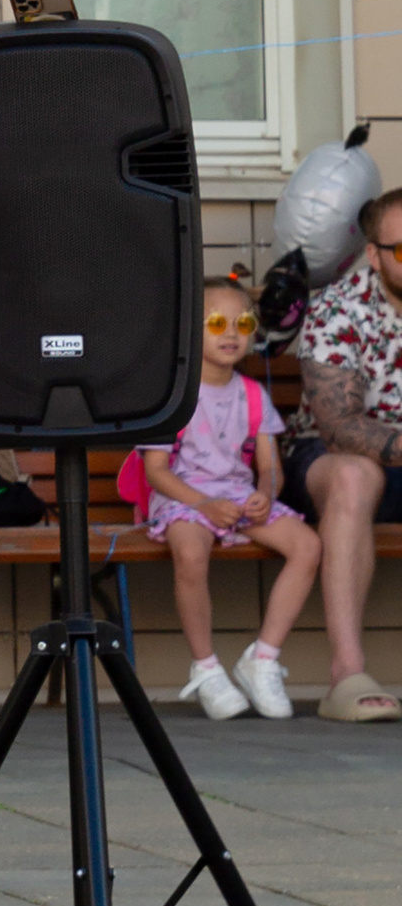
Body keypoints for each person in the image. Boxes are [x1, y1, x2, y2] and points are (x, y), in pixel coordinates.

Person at [133, 278, 318, 720]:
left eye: (243, 323)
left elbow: (270, 467)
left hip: (237, 495)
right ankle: (207, 668)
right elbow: (156, 472)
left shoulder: (253, 395)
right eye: (216, 322)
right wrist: (202, 505)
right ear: (190, 331)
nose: (231, 333)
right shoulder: (172, 398)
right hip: (184, 496)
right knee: (191, 553)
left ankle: (264, 658)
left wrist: (264, 493)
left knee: (308, 545)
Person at [286, 188, 402, 721]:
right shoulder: (339, 307)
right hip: (329, 465)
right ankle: (347, 674)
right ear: (374, 254)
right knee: (357, 476)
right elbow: (339, 427)